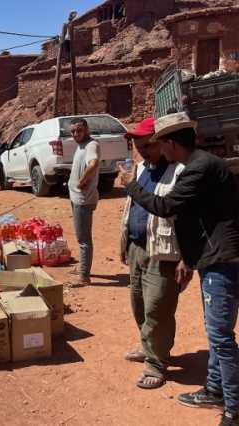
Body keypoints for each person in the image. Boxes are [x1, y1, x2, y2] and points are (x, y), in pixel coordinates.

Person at [120, 112, 239, 426]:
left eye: (158, 142)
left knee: (221, 337)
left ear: (170, 144)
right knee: (217, 335)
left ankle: (233, 409)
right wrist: (189, 257)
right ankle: (214, 389)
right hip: (211, 258)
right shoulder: (200, 165)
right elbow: (194, 217)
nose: (154, 149)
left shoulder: (194, 169)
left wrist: (131, 186)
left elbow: (167, 208)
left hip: (221, 260)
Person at [119, 117, 189, 390]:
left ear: (161, 143)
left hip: (164, 252)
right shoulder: (138, 170)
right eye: (138, 145)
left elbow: (186, 217)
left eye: (147, 145)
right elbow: (130, 208)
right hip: (137, 248)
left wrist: (186, 257)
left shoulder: (178, 172)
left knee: (158, 308)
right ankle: (149, 346)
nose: (142, 150)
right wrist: (124, 242)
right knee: (138, 305)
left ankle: (156, 363)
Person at [68, 118, 101, 286]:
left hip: (83, 199)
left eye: (79, 130)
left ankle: (84, 276)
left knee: (84, 239)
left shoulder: (91, 145)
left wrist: (82, 180)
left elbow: (93, 163)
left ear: (86, 129)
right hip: (76, 197)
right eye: (73, 131)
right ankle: (83, 266)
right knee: (80, 235)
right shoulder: (81, 145)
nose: (75, 134)